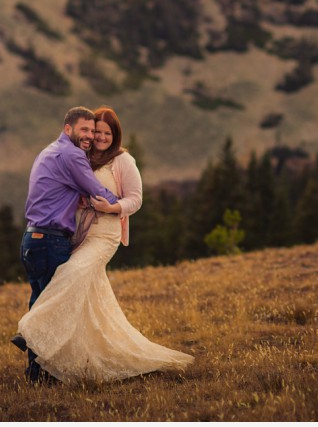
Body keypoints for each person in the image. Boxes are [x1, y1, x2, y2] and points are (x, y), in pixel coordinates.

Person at [12, 106, 194, 383]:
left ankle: (31, 331)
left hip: (105, 235)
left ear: (115, 135)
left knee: (68, 276)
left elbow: (135, 199)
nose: (99, 136)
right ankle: (78, 361)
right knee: (88, 303)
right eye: (96, 131)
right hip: (78, 236)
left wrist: (111, 207)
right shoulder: (80, 157)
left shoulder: (123, 160)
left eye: (106, 132)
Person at [18, 106, 120, 383]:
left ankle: (35, 373)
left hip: (31, 238)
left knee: (42, 302)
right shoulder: (72, 154)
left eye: (92, 130)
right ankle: (45, 366)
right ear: (68, 129)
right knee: (58, 309)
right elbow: (98, 190)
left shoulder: (49, 151)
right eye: (84, 130)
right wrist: (120, 204)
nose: (89, 136)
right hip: (51, 241)